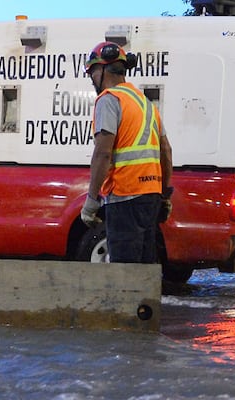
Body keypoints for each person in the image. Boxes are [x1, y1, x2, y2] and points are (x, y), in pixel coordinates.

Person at [81, 41, 173, 264]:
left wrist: (92, 200)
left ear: (103, 70)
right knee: (144, 266)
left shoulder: (109, 100)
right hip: (150, 196)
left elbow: (103, 153)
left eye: (92, 72)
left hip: (124, 196)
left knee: (124, 270)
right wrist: (164, 196)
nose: (92, 79)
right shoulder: (145, 103)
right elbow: (166, 152)